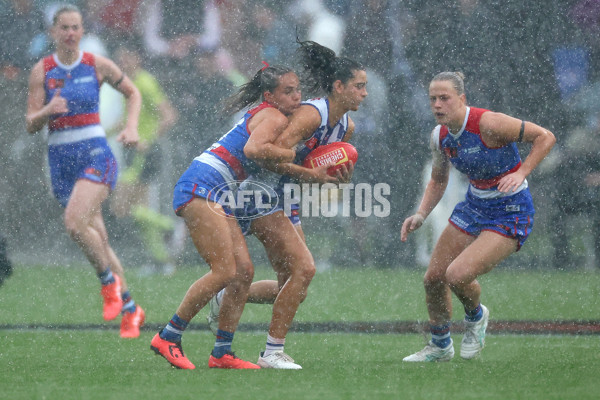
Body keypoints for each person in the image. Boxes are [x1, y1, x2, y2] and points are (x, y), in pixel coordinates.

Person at [207, 40, 367, 369]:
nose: (365, 93)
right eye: (359, 86)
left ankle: (227, 297)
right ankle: (272, 353)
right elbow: (269, 156)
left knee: (293, 284)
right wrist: (310, 175)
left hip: (286, 195)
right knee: (304, 269)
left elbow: (317, 167)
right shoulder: (311, 115)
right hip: (260, 190)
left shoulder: (345, 127)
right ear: (338, 87)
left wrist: (338, 177)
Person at [149, 64, 302, 370]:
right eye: (288, 91)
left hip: (216, 190)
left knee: (243, 270)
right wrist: (291, 154)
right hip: (201, 186)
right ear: (269, 95)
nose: (296, 97)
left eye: (298, 90)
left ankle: (222, 353)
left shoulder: (270, 113)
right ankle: (169, 335)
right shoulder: (273, 115)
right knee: (223, 271)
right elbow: (254, 148)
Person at [399, 71, 556, 362]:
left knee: (457, 275)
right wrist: (421, 214)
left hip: (511, 210)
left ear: (462, 99)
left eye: (444, 98)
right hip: (474, 207)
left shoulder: (488, 122)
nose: (437, 105)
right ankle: (440, 346)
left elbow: (545, 137)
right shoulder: (440, 136)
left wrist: (521, 173)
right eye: (432, 99)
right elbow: (437, 180)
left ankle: (475, 318)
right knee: (433, 278)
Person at [25, 4, 145, 338]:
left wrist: (132, 128)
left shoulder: (95, 64)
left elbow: (133, 92)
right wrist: (49, 109)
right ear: (53, 32)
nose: (70, 33)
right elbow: (31, 123)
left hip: (95, 153)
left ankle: (109, 287)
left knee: (74, 224)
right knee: (100, 241)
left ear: (82, 31)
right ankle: (132, 308)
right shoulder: (42, 70)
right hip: (60, 159)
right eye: (64, 27)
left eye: (76, 27)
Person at [109, 45, 179, 275]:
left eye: (127, 55)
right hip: (134, 151)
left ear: (137, 57)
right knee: (139, 212)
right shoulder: (127, 84)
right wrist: (99, 135)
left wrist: (148, 139)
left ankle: (172, 226)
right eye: (120, 57)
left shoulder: (145, 83)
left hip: (143, 152)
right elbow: (127, 120)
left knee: (121, 207)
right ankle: (160, 261)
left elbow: (169, 115)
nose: (123, 61)